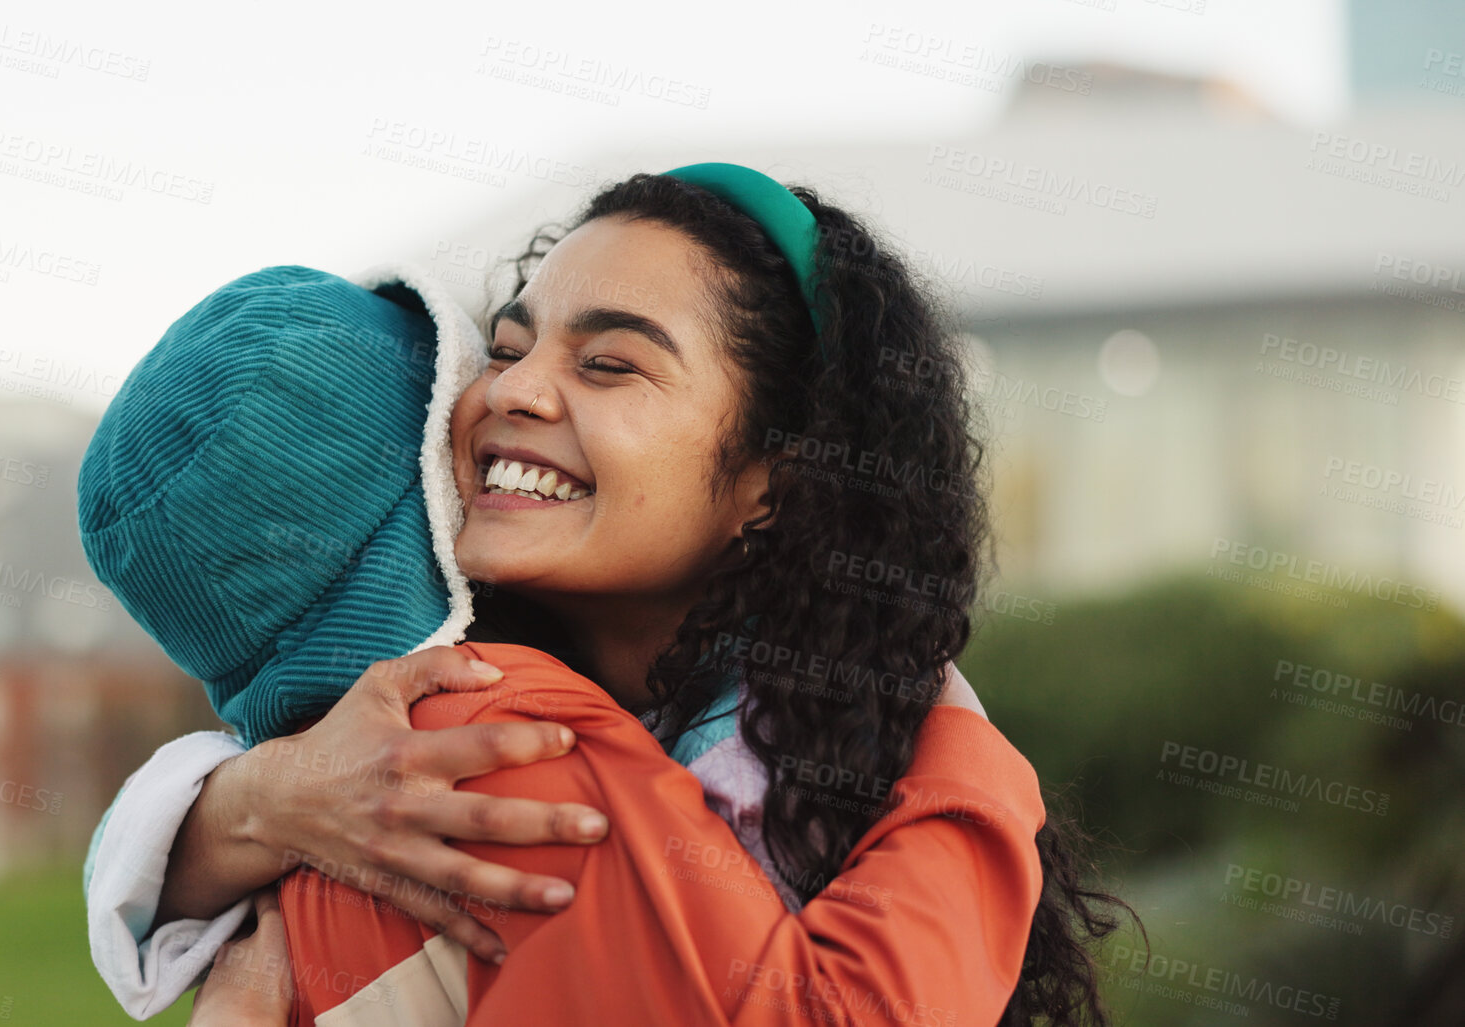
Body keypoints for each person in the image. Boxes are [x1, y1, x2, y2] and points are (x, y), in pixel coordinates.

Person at [80, 165, 1138, 1024]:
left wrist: (259, 806)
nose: (512, 389)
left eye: (610, 364)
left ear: (780, 472)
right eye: (505, 346)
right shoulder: (480, 741)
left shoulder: (773, 745)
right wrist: (978, 772)